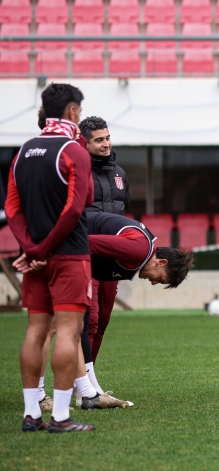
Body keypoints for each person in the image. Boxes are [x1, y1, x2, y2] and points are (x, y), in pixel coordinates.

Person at [15, 211, 194, 410]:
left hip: (54, 248)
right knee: (49, 327)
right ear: (161, 262)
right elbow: (84, 242)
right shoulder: (138, 250)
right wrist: (43, 254)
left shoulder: (140, 254)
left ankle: (88, 394)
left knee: (71, 326)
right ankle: (39, 398)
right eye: (159, 279)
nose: (153, 283)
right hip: (52, 249)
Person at [5, 83, 96, 433]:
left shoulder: (23, 151)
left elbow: (12, 208)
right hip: (69, 255)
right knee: (68, 334)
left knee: (35, 332)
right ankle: (60, 417)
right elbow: (77, 206)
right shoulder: (75, 151)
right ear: (73, 111)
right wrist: (44, 249)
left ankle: (32, 414)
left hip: (35, 258)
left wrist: (31, 248)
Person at [78, 115, 131, 407]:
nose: (106, 144)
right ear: (85, 143)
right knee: (90, 320)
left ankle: (85, 383)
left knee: (104, 321)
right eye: (99, 139)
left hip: (111, 258)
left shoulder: (120, 173)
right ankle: (84, 386)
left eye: (108, 137)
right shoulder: (77, 171)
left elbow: (124, 211)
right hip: (84, 255)